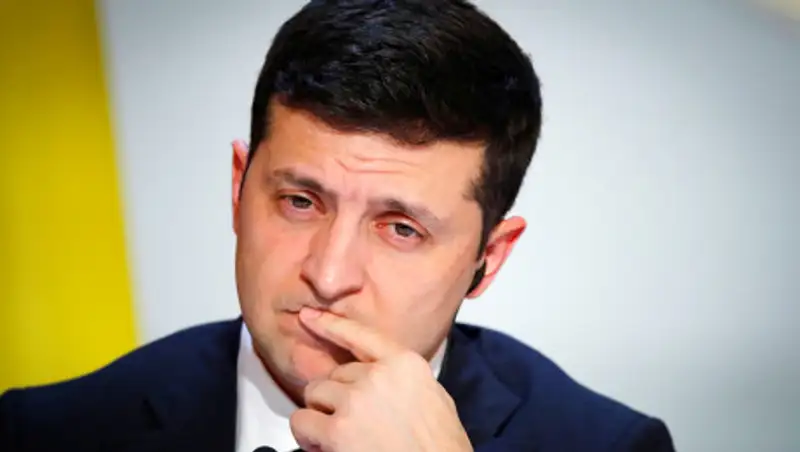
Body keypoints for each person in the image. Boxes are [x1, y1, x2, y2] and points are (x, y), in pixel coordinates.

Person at [0, 1, 675, 451]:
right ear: (238, 188)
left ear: (488, 259)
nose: (327, 276)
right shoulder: (48, 432)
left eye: (401, 229)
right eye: (300, 202)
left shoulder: (605, 446)